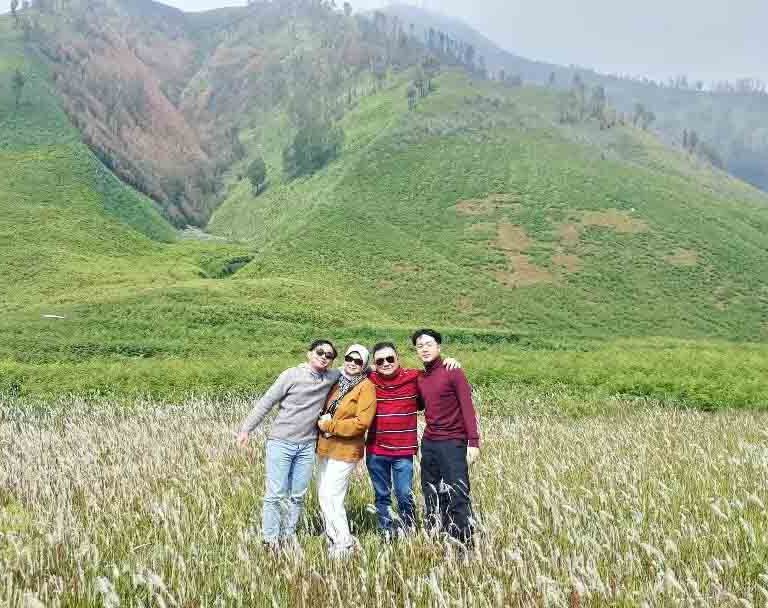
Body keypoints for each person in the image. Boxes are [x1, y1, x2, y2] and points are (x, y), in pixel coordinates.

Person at [236, 340, 340, 550]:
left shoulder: (331, 377)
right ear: (309, 353)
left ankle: (288, 535)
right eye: (320, 352)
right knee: (275, 494)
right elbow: (267, 401)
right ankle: (270, 539)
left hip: (307, 445)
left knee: (297, 495)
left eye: (329, 355)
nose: (324, 357)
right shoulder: (291, 375)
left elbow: (354, 370)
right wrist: (246, 429)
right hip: (281, 443)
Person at [365, 342, 461, 539]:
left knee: (403, 495)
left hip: (403, 452)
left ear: (398, 359)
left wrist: (449, 363)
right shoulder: (369, 379)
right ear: (374, 364)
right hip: (376, 451)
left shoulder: (413, 377)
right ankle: (387, 533)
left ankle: (408, 530)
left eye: (390, 359)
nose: (386, 363)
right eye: (380, 360)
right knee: (382, 496)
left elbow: (434, 374)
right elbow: (347, 371)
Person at [413, 328, 480, 548]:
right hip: (430, 443)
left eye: (429, 344)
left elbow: (467, 407)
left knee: (457, 492)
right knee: (431, 491)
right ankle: (439, 536)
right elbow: (417, 403)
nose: (424, 348)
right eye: (420, 345)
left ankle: (465, 543)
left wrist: (473, 441)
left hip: (453, 442)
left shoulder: (453, 371)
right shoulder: (421, 378)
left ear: (438, 347)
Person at [315, 344, 376, 558]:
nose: (352, 363)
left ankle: (344, 542)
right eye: (349, 358)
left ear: (364, 365)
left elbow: (362, 423)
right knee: (323, 494)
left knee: (333, 495)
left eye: (358, 361)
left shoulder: (365, 387)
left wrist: (330, 426)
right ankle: (332, 535)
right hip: (326, 448)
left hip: (346, 450)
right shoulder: (337, 382)